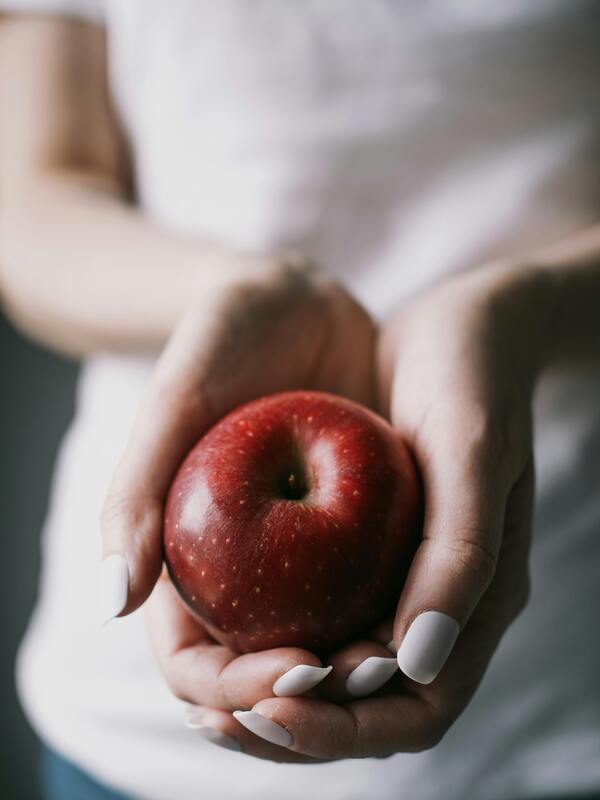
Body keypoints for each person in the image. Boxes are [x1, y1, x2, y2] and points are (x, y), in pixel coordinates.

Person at [1, 2, 599, 799]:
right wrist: (223, 288)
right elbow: (33, 200)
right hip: (129, 722)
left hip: (555, 702)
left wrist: (525, 311)